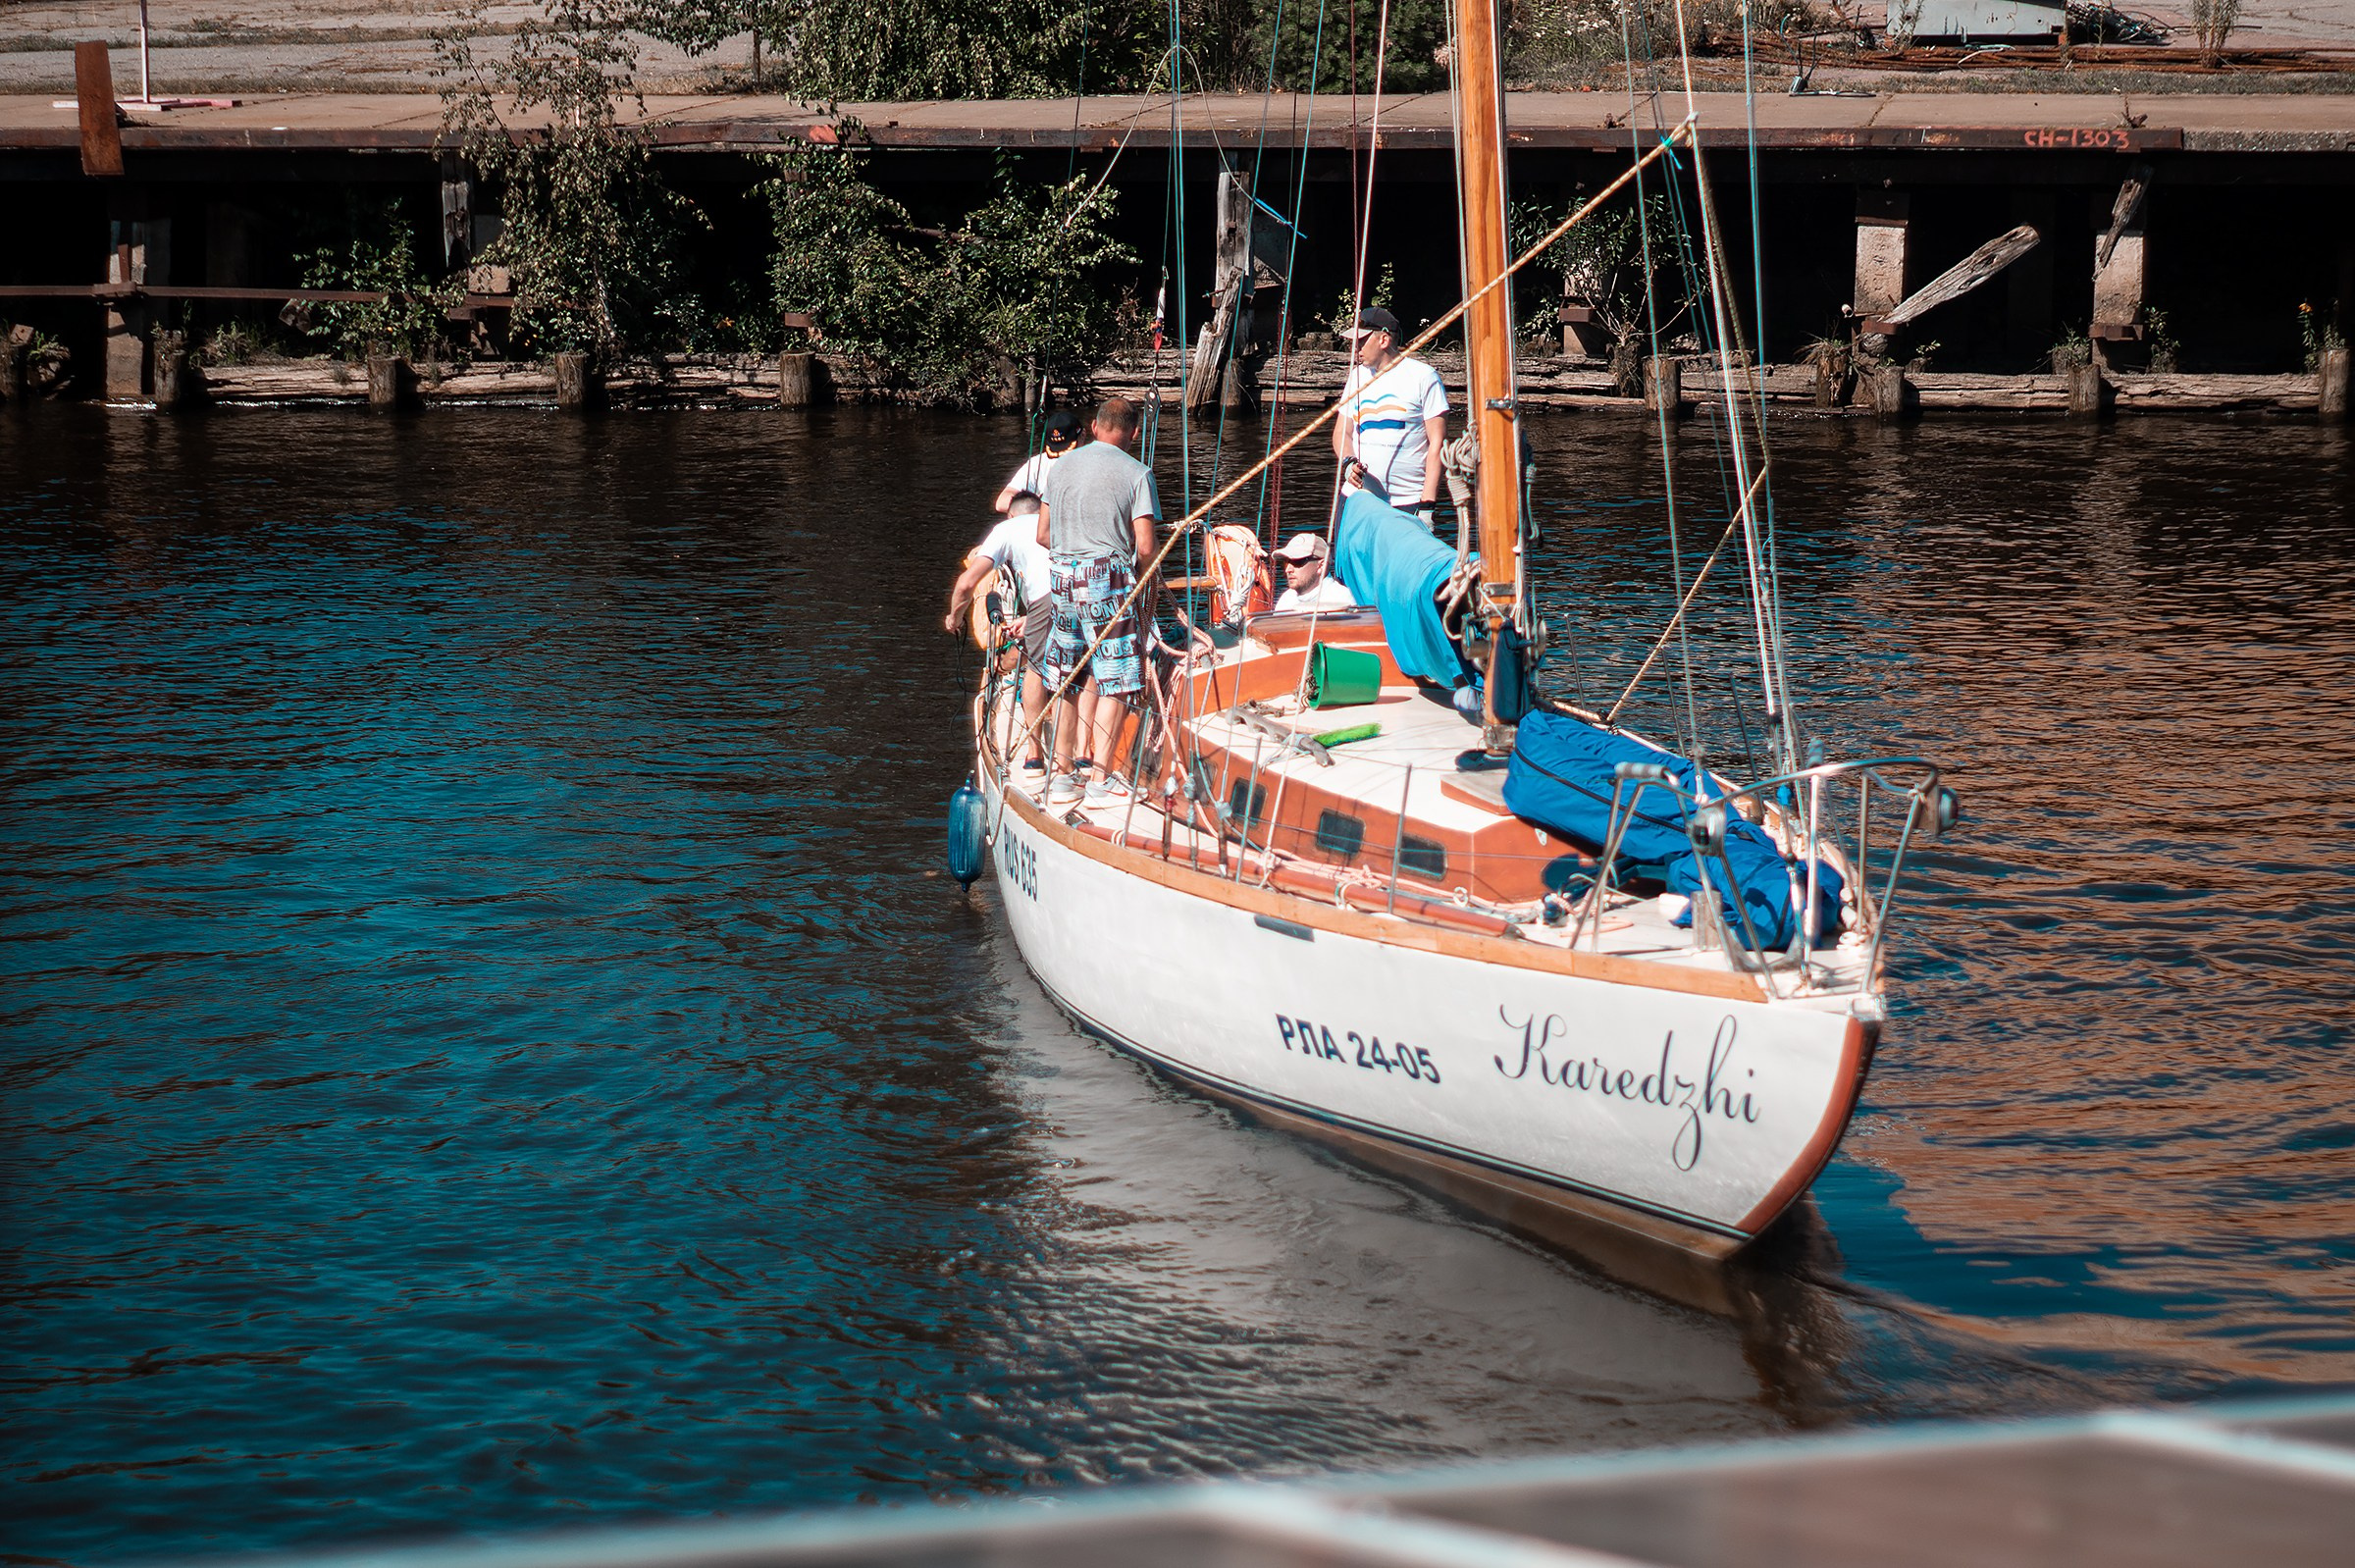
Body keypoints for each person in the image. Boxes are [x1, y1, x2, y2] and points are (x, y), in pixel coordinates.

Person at [1037, 397, 1160, 807]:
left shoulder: (1059, 467)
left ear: (1093, 426)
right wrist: (1138, 577)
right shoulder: (1138, 473)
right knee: (1118, 679)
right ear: (1135, 433)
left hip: (1061, 576)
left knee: (1069, 675)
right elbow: (1146, 547)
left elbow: (1042, 535)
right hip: (1106, 577)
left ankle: (1062, 775)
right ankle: (1100, 779)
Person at [945, 506, 1057, 790]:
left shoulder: (1006, 529)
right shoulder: (1060, 518)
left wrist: (954, 618)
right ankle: (1081, 756)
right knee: (1076, 668)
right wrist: (1030, 620)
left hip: (1046, 595)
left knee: (1036, 668)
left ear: (1012, 516)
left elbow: (967, 583)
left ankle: (1035, 756)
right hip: (1082, 588)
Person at [1332, 305, 1448, 528]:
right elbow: (1342, 432)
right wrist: (1348, 463)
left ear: (1383, 340)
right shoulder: (1356, 377)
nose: (1355, 348)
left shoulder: (1423, 377)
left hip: (1407, 502)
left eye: (1361, 341)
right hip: (1359, 498)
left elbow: (1438, 443)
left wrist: (1427, 505)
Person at [993, 410, 1085, 516]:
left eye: (1067, 450)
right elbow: (1001, 503)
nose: (1061, 458)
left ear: (1083, 435)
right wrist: (1040, 506)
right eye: (1056, 451)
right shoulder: (1037, 463)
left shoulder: (1095, 463)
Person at [1272, 533, 1357, 613]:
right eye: (1286, 562)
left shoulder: (1342, 600)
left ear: (1321, 566)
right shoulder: (1286, 599)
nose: (1288, 570)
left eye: (1297, 562)